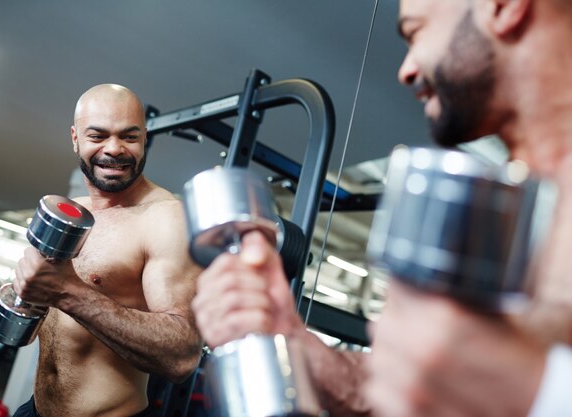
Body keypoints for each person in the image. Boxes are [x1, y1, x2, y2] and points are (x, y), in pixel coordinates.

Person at [191, 0, 572, 415]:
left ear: (504, 7)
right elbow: (416, 389)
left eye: (415, 31)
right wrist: (291, 338)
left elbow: (497, 386)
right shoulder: (530, 202)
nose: (406, 69)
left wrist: (528, 392)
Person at [0, 84, 203, 417]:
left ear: (144, 137)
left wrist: (67, 291)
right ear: (75, 138)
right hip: (36, 408)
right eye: (97, 136)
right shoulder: (67, 212)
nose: (115, 149)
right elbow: (33, 320)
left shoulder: (166, 219)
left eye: (129, 136)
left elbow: (181, 355)